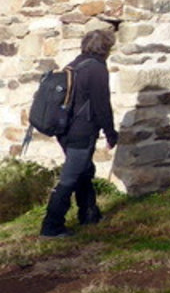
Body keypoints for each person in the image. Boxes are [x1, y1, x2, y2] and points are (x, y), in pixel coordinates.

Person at [39, 28, 118, 237]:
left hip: (64, 129)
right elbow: (102, 105)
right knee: (70, 176)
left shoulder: (74, 64)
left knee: (83, 171)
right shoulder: (97, 69)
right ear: (105, 49)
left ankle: (89, 214)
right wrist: (111, 133)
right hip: (82, 131)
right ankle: (51, 226)